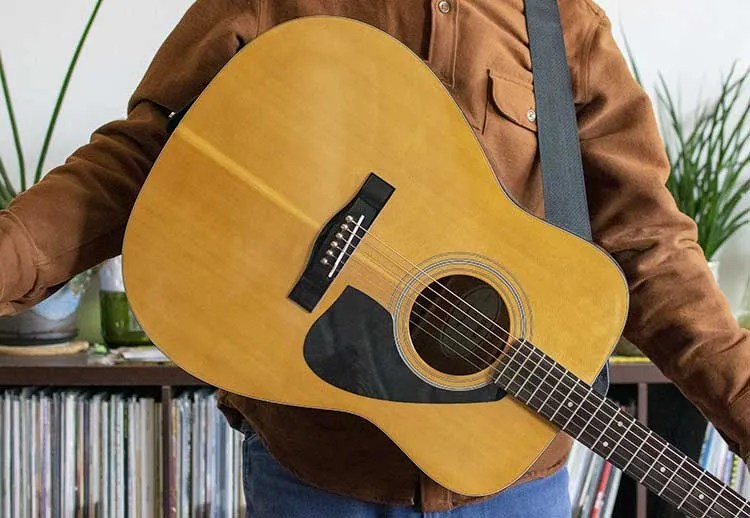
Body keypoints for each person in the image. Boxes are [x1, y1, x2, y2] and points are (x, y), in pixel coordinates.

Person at [2, 1, 749, 516]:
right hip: (314, 470)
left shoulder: (561, 25)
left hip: (512, 480)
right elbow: (148, 161)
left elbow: (649, 242)